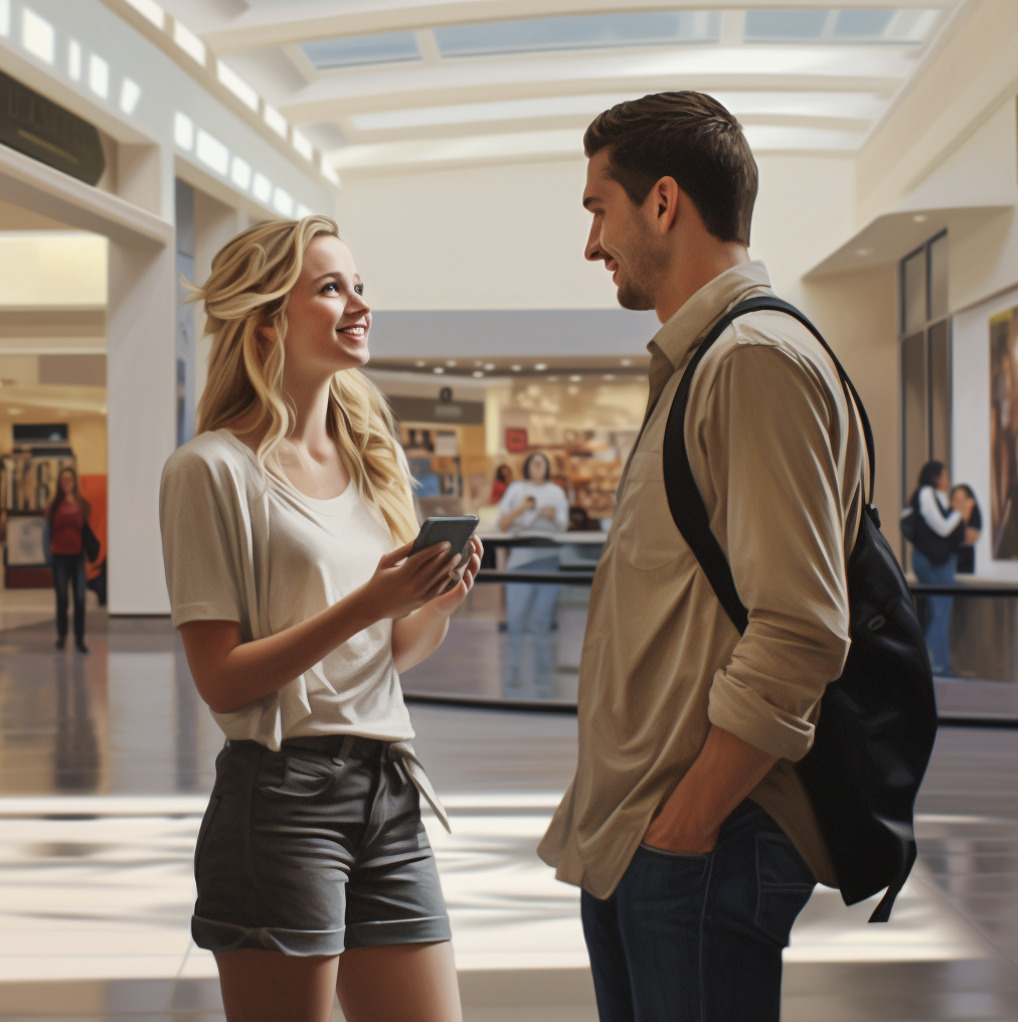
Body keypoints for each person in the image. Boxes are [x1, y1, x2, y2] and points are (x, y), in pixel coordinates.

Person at [537, 91, 869, 1022]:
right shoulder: (706, 362)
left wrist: (682, 831)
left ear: (665, 202)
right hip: (653, 840)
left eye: (599, 209)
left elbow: (802, 628)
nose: (592, 244)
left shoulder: (752, 362)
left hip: (699, 847)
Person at [159, 215, 482, 1022]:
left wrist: (431, 604)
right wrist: (366, 604)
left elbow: (388, 655)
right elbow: (221, 680)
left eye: (360, 286)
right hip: (280, 802)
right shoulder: (209, 472)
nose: (358, 304)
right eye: (330, 288)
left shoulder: (373, 457)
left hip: (389, 792)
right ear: (267, 319)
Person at [497, 452, 570, 697]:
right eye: (535, 462)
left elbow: (564, 525)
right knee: (516, 622)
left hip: (548, 562)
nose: (539, 466)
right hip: (519, 563)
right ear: (527, 466)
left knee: (541, 624)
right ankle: (512, 676)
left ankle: (542, 680)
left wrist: (553, 516)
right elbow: (502, 524)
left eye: (543, 463)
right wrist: (522, 508)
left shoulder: (557, 492)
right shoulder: (516, 489)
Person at [906, 461, 974, 675]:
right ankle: (932, 664)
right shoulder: (926, 494)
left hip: (937, 563)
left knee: (941, 612)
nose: (947, 480)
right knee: (940, 613)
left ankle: (939, 664)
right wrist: (959, 514)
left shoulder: (935, 496)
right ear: (935, 476)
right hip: (932, 563)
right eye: (944, 475)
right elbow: (942, 528)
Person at [47, 466, 91, 654]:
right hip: (60, 559)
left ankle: (80, 638)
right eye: (63, 479)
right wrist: (48, 556)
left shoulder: (82, 504)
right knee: (62, 598)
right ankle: (62, 635)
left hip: (78, 558)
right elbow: (47, 532)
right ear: (59, 482)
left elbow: (87, 531)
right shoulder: (54, 505)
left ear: (74, 481)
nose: (67, 482)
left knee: (80, 598)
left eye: (70, 479)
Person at [951, 483, 982, 574]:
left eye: (962, 500)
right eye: (956, 500)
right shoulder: (949, 515)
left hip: (966, 557)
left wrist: (964, 516)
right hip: (950, 556)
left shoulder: (973, 514)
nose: (959, 504)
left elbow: (971, 537)